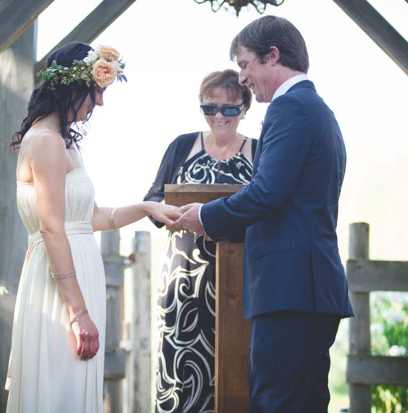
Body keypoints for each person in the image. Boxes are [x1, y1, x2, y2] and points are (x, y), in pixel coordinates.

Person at [176, 16, 354, 412]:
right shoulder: (316, 108)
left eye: (244, 64)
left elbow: (267, 194)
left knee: (275, 403)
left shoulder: (290, 107)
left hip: (291, 291)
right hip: (308, 289)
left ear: (272, 56)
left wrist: (206, 217)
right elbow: (290, 203)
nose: (242, 78)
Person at [5, 42, 182, 413]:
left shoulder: (66, 144)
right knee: (59, 392)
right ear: (70, 85)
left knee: (72, 388)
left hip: (75, 282)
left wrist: (147, 206)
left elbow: (93, 218)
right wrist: (78, 312)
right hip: (61, 291)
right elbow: (53, 230)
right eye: (97, 90)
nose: (99, 103)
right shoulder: (47, 143)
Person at [144, 69, 256, 413]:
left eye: (229, 109)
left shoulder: (260, 150)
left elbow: (269, 209)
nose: (219, 116)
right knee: (182, 370)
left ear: (244, 109)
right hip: (184, 281)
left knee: (239, 369)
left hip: (241, 280)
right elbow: (152, 202)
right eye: (210, 108)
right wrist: (170, 211)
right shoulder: (181, 146)